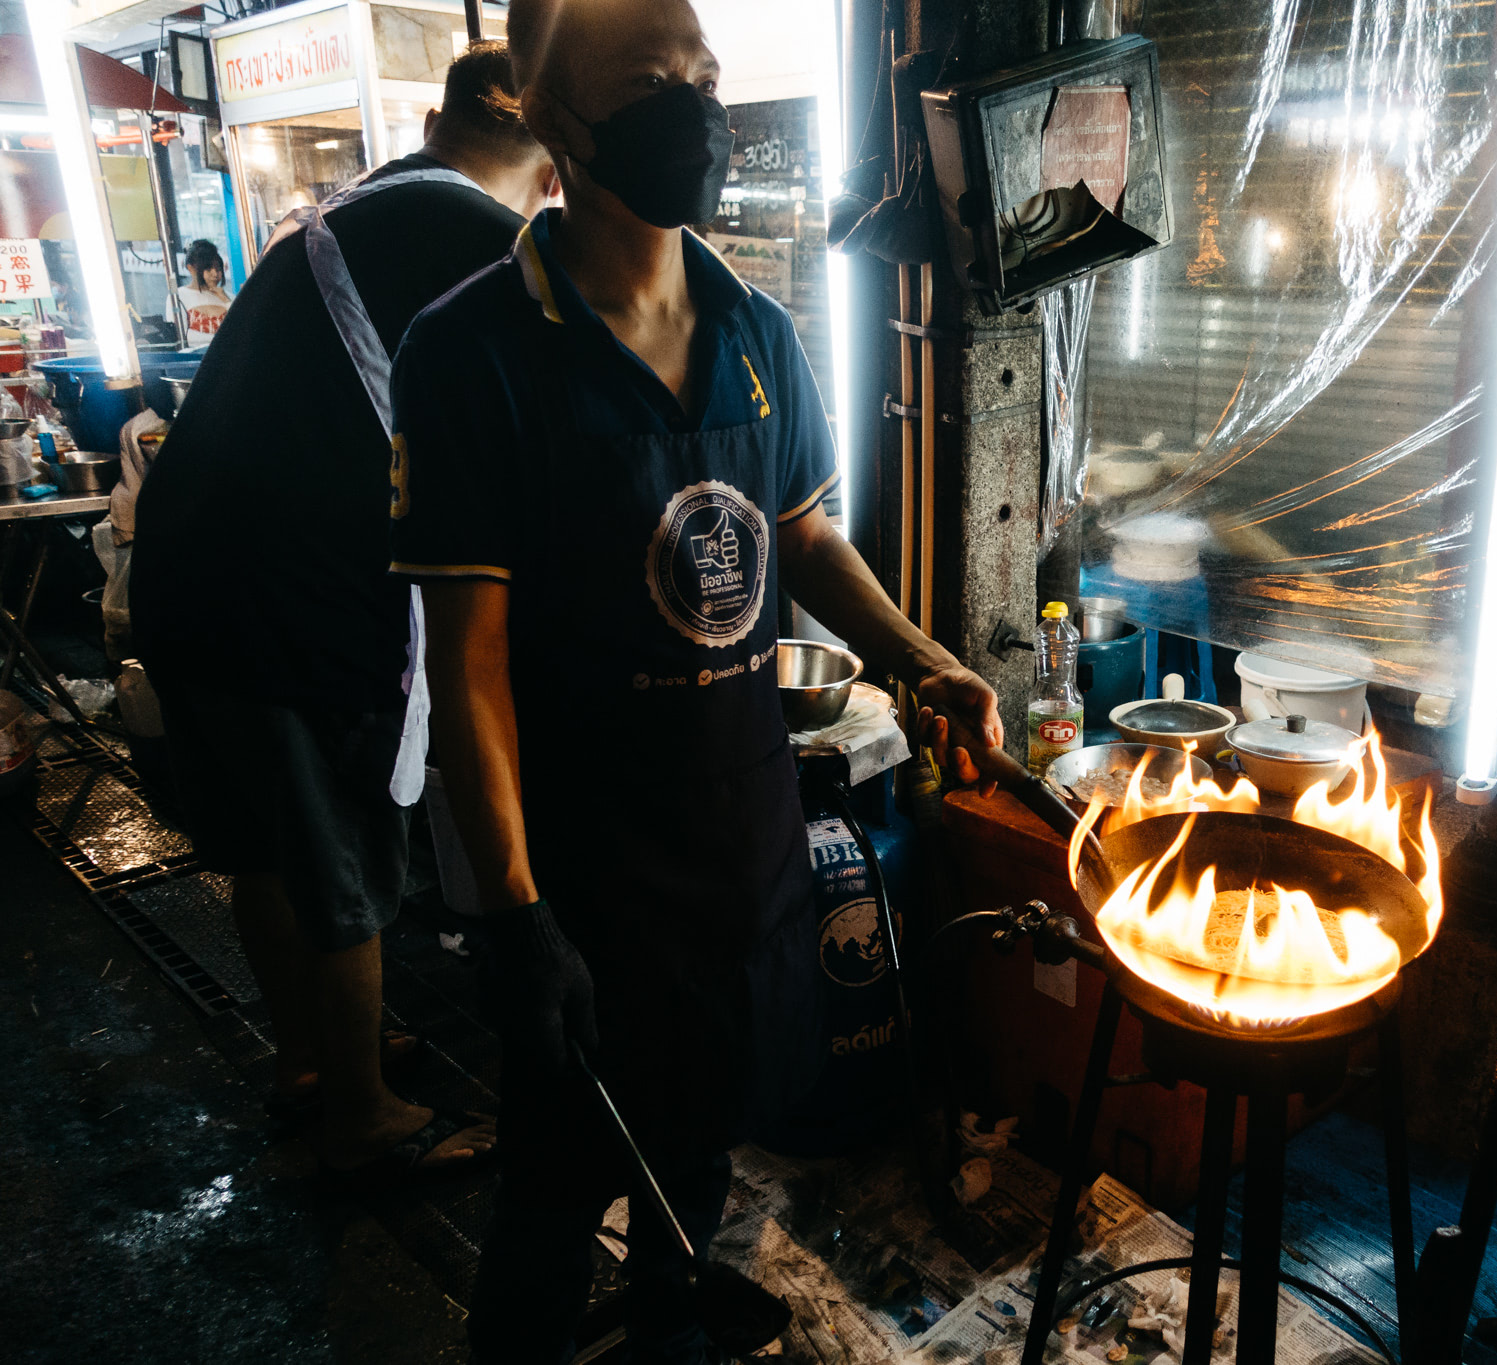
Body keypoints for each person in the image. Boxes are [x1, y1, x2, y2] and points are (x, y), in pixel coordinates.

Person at [385, 1, 1001, 1357]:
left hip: (742, 841)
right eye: (650, 82)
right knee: (555, 1187)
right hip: (585, 863)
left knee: (709, 1131)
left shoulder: (758, 329)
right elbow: (467, 665)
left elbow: (802, 533)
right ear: (554, 121)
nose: (695, 107)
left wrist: (926, 660)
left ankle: (668, 1314)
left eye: (703, 76)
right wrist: (514, 914)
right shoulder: (471, 348)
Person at [130, 42, 560, 1185]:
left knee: (263, 845)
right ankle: (364, 1116)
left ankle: (311, 1062)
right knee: (343, 853)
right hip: (291, 597)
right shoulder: (484, 237)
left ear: (436, 125)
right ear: (551, 168)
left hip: (179, 568)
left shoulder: (362, 204)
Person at [171, 239, 234, 346]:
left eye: (218, 269)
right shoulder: (178, 297)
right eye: (208, 269)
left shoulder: (228, 297)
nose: (215, 274)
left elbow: (241, 328)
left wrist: (226, 300)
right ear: (191, 268)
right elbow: (182, 337)